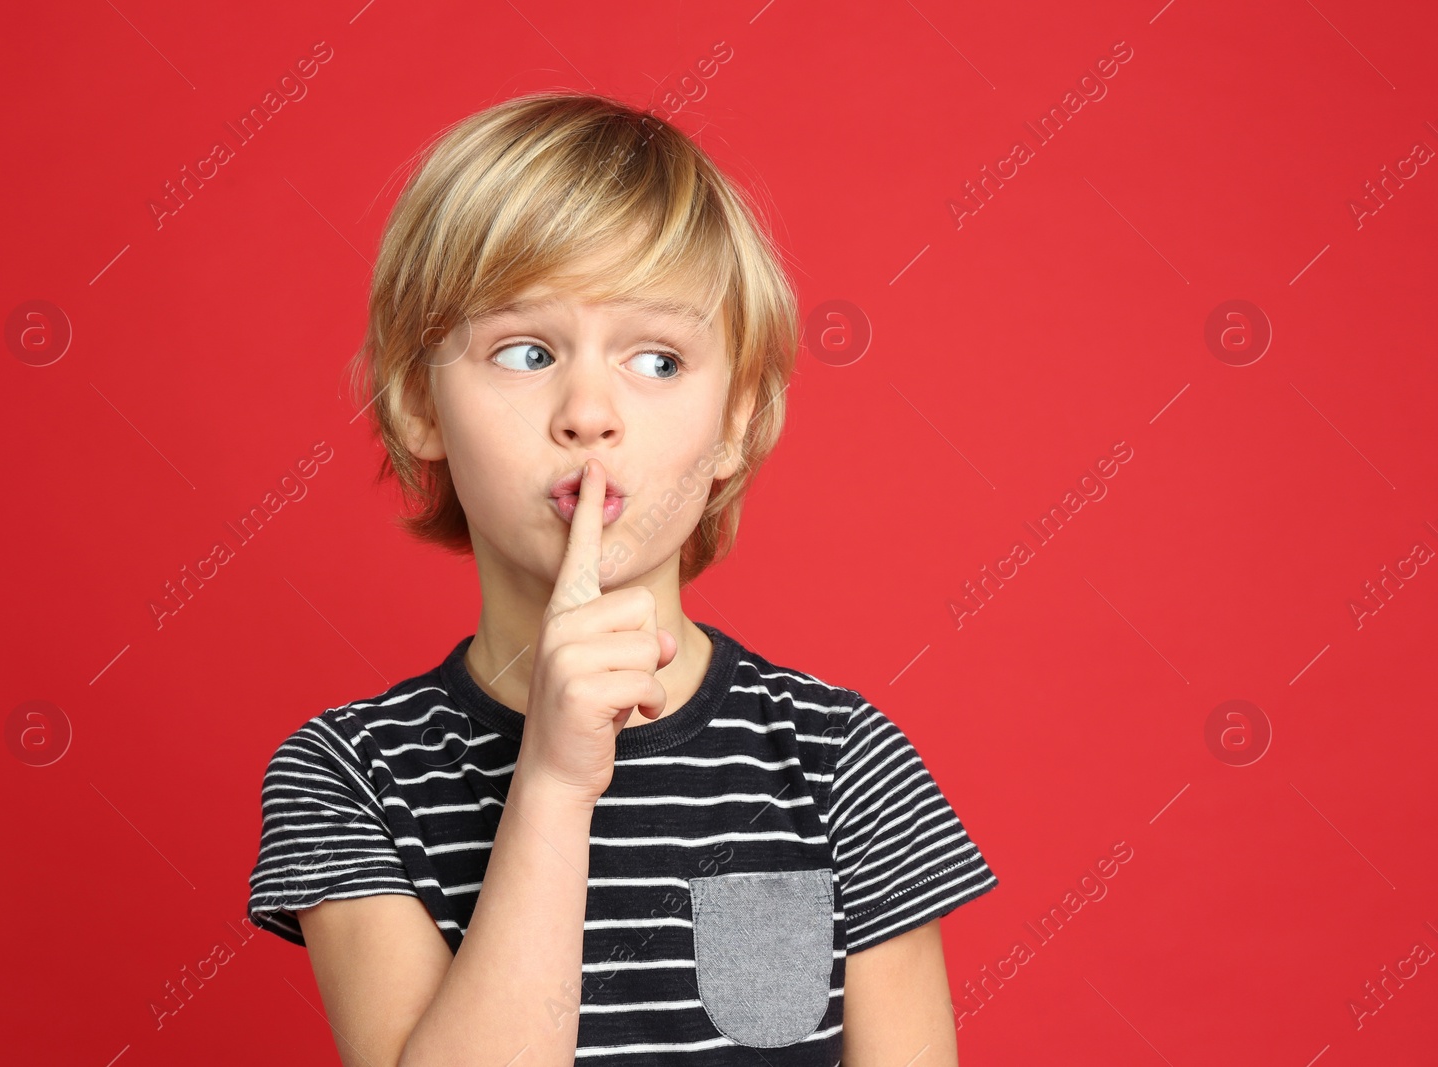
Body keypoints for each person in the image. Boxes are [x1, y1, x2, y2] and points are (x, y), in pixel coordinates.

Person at [247, 89, 999, 1067]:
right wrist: (553, 781)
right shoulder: (352, 775)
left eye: (656, 358)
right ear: (418, 402)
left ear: (732, 421)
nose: (590, 412)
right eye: (525, 351)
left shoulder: (836, 762)